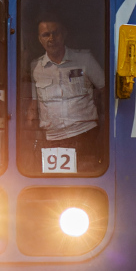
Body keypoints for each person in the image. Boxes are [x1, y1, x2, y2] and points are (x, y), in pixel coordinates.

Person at [27, 16, 106, 170]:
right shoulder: (35, 67)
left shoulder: (84, 59)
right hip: (51, 139)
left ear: (64, 35)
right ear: (40, 39)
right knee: (55, 186)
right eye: (46, 35)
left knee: (83, 186)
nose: (51, 38)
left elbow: (105, 92)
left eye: (55, 33)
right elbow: (35, 102)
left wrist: (106, 129)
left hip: (85, 136)